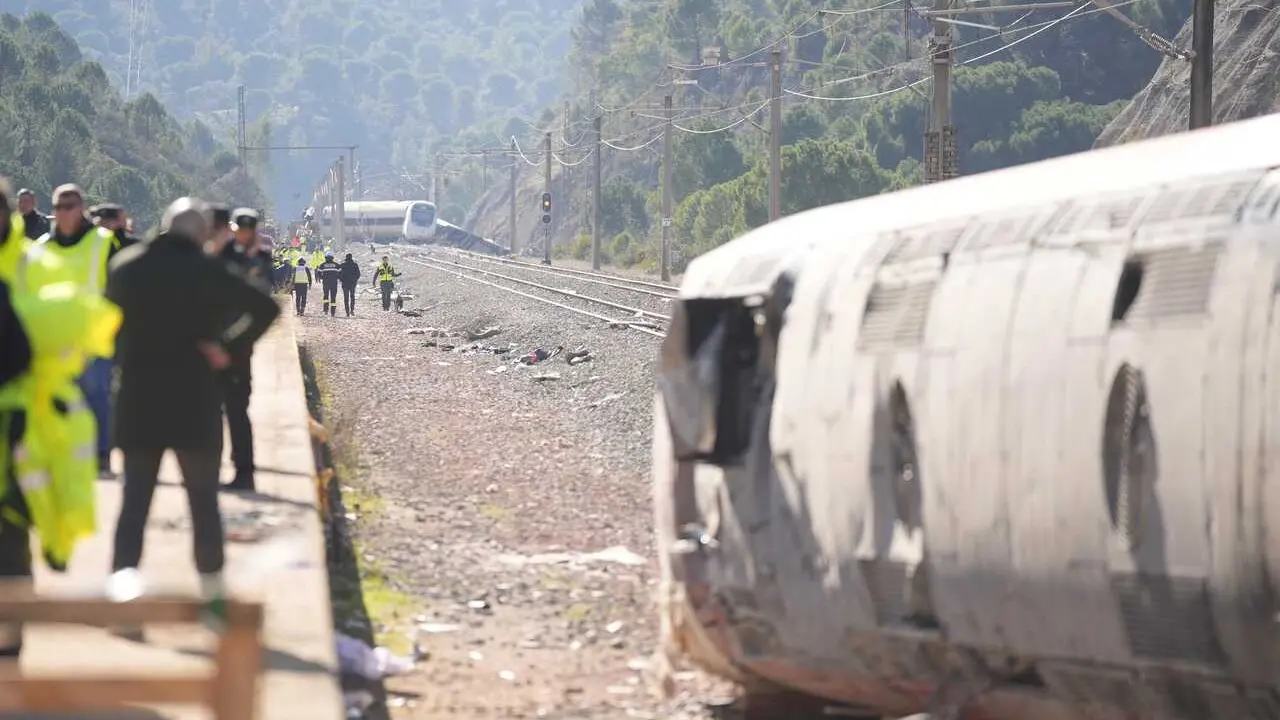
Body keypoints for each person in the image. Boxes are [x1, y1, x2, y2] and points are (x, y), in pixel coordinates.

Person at [104, 197, 279, 605]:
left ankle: (123, 593)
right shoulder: (209, 270)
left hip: (138, 400)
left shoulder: (126, 267)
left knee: (134, 502)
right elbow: (265, 307)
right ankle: (212, 596)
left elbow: (107, 321)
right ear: (202, 235)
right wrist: (228, 349)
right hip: (195, 401)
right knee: (202, 502)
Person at [0, 178, 120, 658]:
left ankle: (9, 654)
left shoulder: (36, 263)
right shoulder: (41, 256)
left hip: (24, 427)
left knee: (11, 538)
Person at [24, 184, 123, 477]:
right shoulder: (41, 248)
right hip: (54, 340)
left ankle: (101, 455)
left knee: (97, 394)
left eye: (69, 206)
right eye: (58, 207)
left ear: (81, 209)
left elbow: (118, 288)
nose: (64, 213)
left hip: (93, 338)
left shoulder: (103, 242)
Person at [217, 209, 273, 491]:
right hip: (217, 337)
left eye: (249, 230)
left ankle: (244, 469)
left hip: (241, 343)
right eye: (240, 229)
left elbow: (264, 295)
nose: (244, 235)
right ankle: (213, 466)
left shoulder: (260, 257)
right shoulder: (221, 254)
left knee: (238, 408)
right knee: (213, 410)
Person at [315, 252, 341, 317]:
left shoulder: (322, 265)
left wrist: (322, 278)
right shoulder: (337, 265)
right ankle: (333, 312)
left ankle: (325, 310)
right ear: (332, 258)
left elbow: (318, 273)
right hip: (334, 283)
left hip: (326, 283)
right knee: (333, 297)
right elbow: (341, 273)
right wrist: (336, 277)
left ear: (326, 258)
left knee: (326, 296)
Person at [339, 252, 361, 316]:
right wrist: (355, 280)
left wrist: (342, 280)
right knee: (352, 297)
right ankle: (352, 310)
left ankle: (347, 312)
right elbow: (358, 274)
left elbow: (339, 274)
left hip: (345, 284)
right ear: (351, 258)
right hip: (352, 284)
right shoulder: (355, 265)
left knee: (346, 298)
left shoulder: (342, 265)